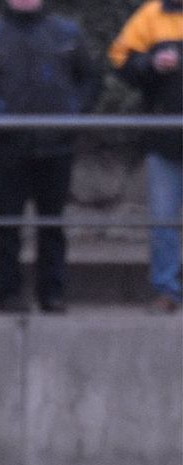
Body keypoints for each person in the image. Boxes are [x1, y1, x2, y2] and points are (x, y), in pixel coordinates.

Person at [0, 0, 100, 313]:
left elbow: (90, 78)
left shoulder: (67, 34)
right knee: (8, 226)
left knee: (52, 226)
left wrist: (72, 112)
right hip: (9, 147)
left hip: (56, 146)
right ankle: (7, 295)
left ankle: (52, 295)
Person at [108, 0, 183, 314]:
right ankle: (167, 291)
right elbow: (119, 58)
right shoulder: (150, 15)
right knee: (162, 221)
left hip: (164, 135)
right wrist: (152, 63)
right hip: (165, 138)